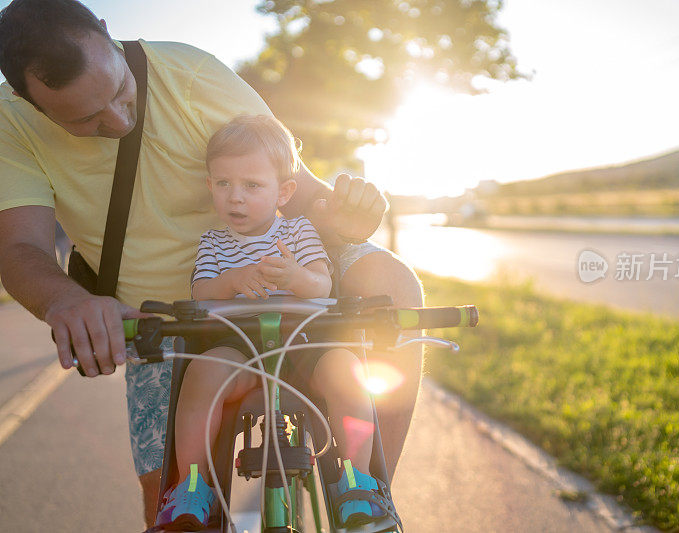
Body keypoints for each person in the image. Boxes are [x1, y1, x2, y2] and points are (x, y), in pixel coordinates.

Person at [0, 0, 422, 527]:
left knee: (392, 282)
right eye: (84, 120)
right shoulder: (8, 122)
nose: (117, 120)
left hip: (288, 284)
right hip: (163, 315)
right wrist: (68, 300)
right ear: (25, 99)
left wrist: (349, 215)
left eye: (120, 92)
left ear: (107, 34)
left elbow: (300, 189)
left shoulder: (192, 74)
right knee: (168, 505)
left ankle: (370, 492)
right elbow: (20, 248)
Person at [155, 115, 384, 530]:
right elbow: (202, 293)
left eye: (252, 185)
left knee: (346, 370)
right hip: (238, 348)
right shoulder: (213, 241)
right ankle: (192, 484)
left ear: (285, 191)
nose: (235, 198)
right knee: (202, 374)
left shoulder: (298, 230)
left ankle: (357, 479)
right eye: (223, 184)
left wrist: (296, 278)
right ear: (210, 186)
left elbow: (322, 281)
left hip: (304, 347)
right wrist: (233, 280)